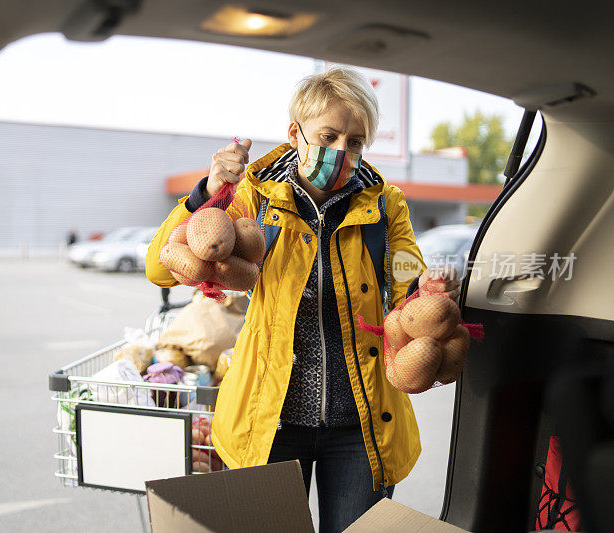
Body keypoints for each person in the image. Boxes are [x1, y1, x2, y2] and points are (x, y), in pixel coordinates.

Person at [145, 67, 459, 532]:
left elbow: (406, 281)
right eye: (328, 136)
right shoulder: (253, 195)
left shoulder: (383, 204)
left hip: (361, 426)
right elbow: (159, 267)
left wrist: (430, 292)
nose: (340, 151)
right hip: (269, 419)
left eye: (354, 142)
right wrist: (209, 193)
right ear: (295, 133)